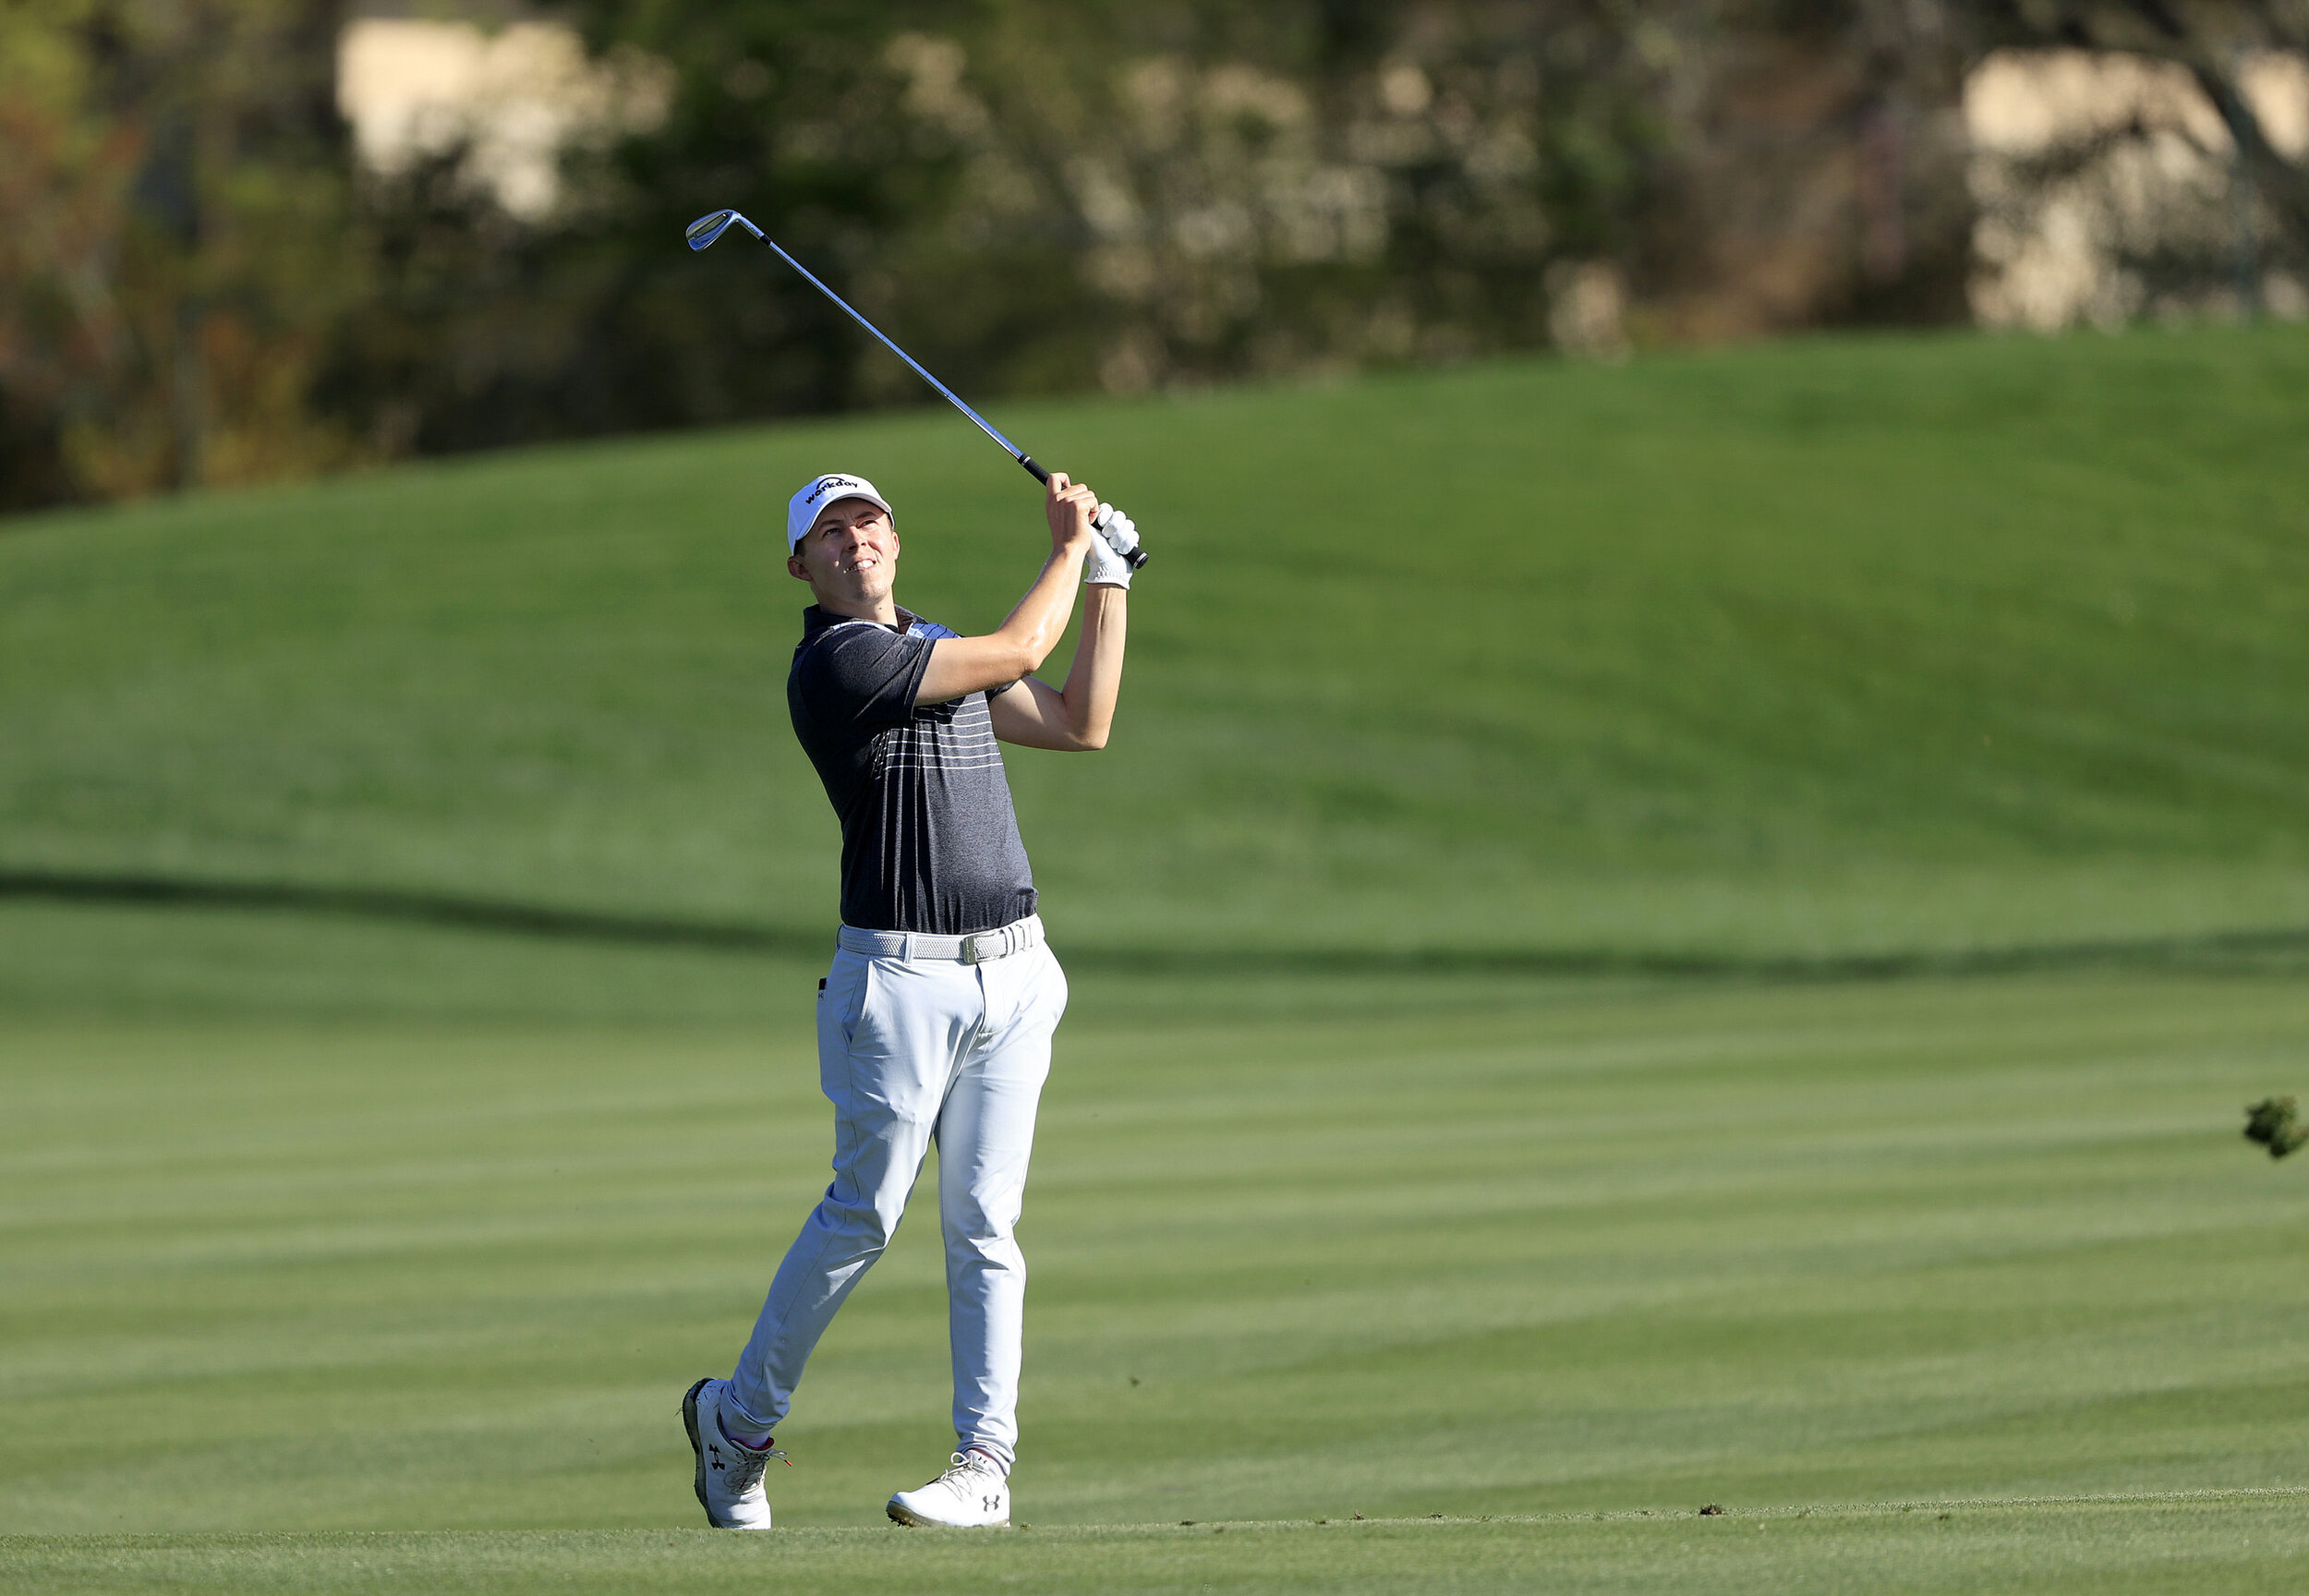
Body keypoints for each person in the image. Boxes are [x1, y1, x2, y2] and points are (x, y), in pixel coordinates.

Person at [682, 466, 1133, 1530]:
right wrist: (1070, 545)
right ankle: (738, 1426)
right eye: (828, 534)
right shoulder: (838, 662)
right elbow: (1023, 650)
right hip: (895, 982)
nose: (854, 541)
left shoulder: (934, 647)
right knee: (865, 1215)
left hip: (1015, 974)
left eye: (867, 522)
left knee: (986, 1226)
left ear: (895, 538)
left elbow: (1079, 721)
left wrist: (1110, 579)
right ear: (801, 565)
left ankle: (985, 1469)